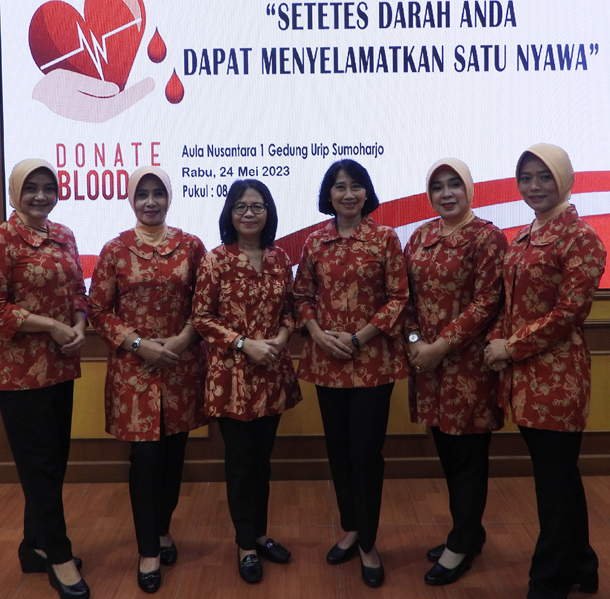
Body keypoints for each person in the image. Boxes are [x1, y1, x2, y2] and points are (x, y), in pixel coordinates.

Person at [484, 143, 606, 599]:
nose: (533, 186)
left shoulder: (581, 238)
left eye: (544, 177)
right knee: (560, 478)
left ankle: (548, 580)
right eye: (526, 178)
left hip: (557, 378)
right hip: (523, 378)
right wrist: (498, 344)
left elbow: (569, 313)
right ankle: (582, 566)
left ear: (565, 180)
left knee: (553, 485)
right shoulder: (523, 235)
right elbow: (508, 302)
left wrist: (509, 347)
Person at [88, 166, 208, 594]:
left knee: (173, 457)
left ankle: (162, 528)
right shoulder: (114, 250)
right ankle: (148, 550)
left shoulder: (191, 246)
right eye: (143, 194)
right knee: (144, 460)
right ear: (131, 199)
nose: (151, 201)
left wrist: (180, 341)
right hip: (133, 371)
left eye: (159, 193)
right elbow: (98, 310)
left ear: (169, 198)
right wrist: (139, 344)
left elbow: (206, 305)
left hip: (180, 366)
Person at [0, 159, 89, 599]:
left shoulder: (64, 234)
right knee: (39, 465)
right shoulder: (0, 239)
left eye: (48, 187)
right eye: (31, 188)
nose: (40, 196)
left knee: (52, 462)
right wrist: (52, 325)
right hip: (20, 373)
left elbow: (78, 291)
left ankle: (34, 545)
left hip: (61, 365)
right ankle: (59, 557)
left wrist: (78, 323)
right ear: (15, 193)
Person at [293, 159, 409, 588]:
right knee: (339, 451)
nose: (348, 194)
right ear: (329, 194)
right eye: (339, 186)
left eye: (356, 186)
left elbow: (399, 298)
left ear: (367, 193)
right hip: (327, 362)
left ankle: (369, 543)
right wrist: (318, 335)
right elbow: (301, 296)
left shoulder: (385, 238)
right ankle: (352, 528)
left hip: (373, 362)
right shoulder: (314, 242)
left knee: (365, 453)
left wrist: (359, 337)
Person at [191, 179, 302, 584]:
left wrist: (282, 337)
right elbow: (202, 318)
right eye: (241, 206)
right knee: (240, 464)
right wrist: (244, 344)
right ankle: (245, 545)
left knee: (262, 462)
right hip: (232, 378)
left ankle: (259, 533)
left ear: (269, 212)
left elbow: (289, 310)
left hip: (272, 373)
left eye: (257, 206)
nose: (250, 213)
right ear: (230, 214)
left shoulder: (279, 257)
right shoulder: (216, 260)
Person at [404, 158, 507, 586]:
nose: (446, 193)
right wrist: (415, 343)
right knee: (447, 453)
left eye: (454, 185)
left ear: (469, 189)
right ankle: (468, 532)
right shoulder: (420, 236)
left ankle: (461, 543)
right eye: (438, 186)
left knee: (468, 459)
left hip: (468, 368)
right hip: (427, 368)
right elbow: (405, 299)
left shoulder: (487, 237)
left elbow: (487, 303)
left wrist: (439, 347)